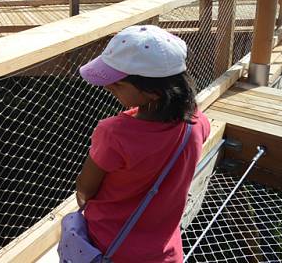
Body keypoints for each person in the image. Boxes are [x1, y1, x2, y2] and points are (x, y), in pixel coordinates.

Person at [75, 25, 210, 262]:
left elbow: (85, 190)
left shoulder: (113, 133)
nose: (108, 86)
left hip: (112, 247)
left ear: (154, 92)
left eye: (117, 84)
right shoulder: (197, 123)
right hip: (165, 250)